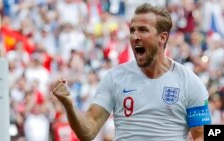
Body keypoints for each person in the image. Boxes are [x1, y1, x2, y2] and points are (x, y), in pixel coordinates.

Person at [51, 3, 212, 141]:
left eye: (143, 30)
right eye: (132, 30)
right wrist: (69, 106)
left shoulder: (190, 82)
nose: (135, 36)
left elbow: (204, 134)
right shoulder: (115, 78)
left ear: (162, 37)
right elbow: (88, 132)